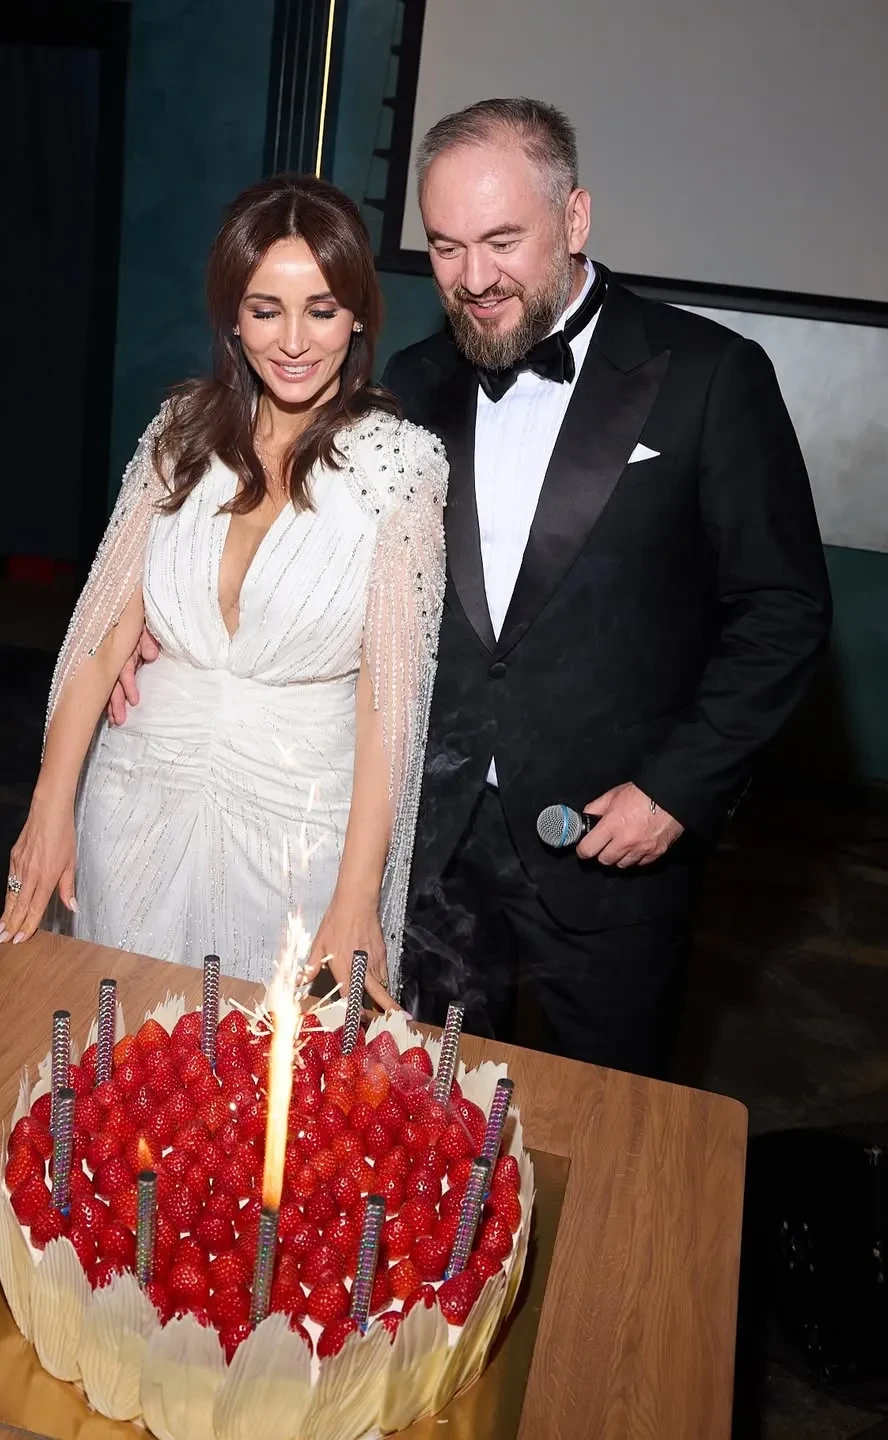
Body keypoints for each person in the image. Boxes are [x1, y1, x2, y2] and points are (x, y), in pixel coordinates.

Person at [382, 98, 831, 1075]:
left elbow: (783, 610)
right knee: (428, 1116)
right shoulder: (412, 382)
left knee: (611, 1124)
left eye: (503, 241)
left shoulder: (710, 375)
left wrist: (678, 789)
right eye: (447, 248)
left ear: (575, 218)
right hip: (436, 840)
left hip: (615, 840)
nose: (473, 279)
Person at [0, 174, 448, 1012]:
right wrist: (50, 805)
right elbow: (100, 634)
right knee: (116, 1052)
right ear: (234, 318)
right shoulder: (178, 436)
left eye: (321, 309)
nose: (294, 341)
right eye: (265, 309)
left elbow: (391, 706)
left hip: (299, 836)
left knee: (268, 1075)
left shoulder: (400, 469)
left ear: (357, 315)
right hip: (134, 806)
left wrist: (357, 894)